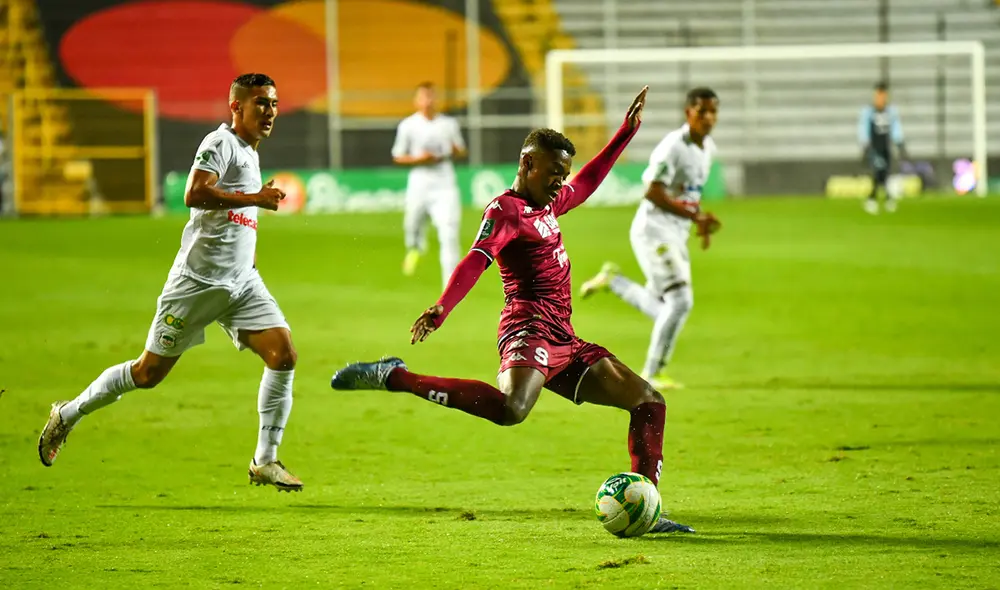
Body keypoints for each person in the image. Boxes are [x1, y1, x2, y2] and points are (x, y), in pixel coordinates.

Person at [332, 86, 694, 534]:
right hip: (528, 329)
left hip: (564, 336)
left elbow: (586, 183)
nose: (561, 180)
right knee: (512, 408)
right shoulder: (506, 211)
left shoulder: (549, 203)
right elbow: (475, 259)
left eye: (563, 172)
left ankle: (648, 509)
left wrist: (623, 134)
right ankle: (396, 376)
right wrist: (442, 307)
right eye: (553, 172)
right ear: (527, 164)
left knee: (648, 401)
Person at [37, 73, 303, 492]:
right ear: (236, 106)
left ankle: (265, 461)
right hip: (195, 286)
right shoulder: (220, 144)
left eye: (273, 103)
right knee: (147, 374)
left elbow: (232, 220)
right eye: (260, 103)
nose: (269, 111)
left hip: (241, 284)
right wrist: (254, 199)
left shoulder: (250, 153)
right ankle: (67, 414)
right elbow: (195, 194)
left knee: (283, 354)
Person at [580, 88, 721, 391]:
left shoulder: (708, 149)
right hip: (654, 230)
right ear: (689, 114)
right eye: (702, 112)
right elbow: (653, 191)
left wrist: (699, 220)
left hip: (675, 233)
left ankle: (613, 281)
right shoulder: (673, 147)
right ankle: (652, 372)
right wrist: (694, 217)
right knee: (680, 301)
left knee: (664, 309)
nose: (708, 118)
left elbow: (686, 195)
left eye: (713, 112)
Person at [392, 82, 467, 288]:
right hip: (420, 183)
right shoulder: (408, 125)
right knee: (412, 225)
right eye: (424, 97)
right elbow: (398, 156)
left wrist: (455, 150)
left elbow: (461, 151)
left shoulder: (448, 124)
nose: (428, 101)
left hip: (445, 185)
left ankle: (450, 285)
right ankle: (415, 248)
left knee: (449, 232)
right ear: (416, 101)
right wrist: (419, 159)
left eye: (431, 97)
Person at [859, 82, 908, 214]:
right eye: (879, 95)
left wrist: (899, 143)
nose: (881, 98)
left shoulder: (890, 112)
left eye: (883, 96)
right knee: (879, 171)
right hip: (874, 147)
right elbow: (864, 128)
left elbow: (896, 128)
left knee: (884, 172)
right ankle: (878, 198)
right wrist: (864, 145)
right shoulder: (869, 112)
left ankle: (879, 199)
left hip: (886, 147)